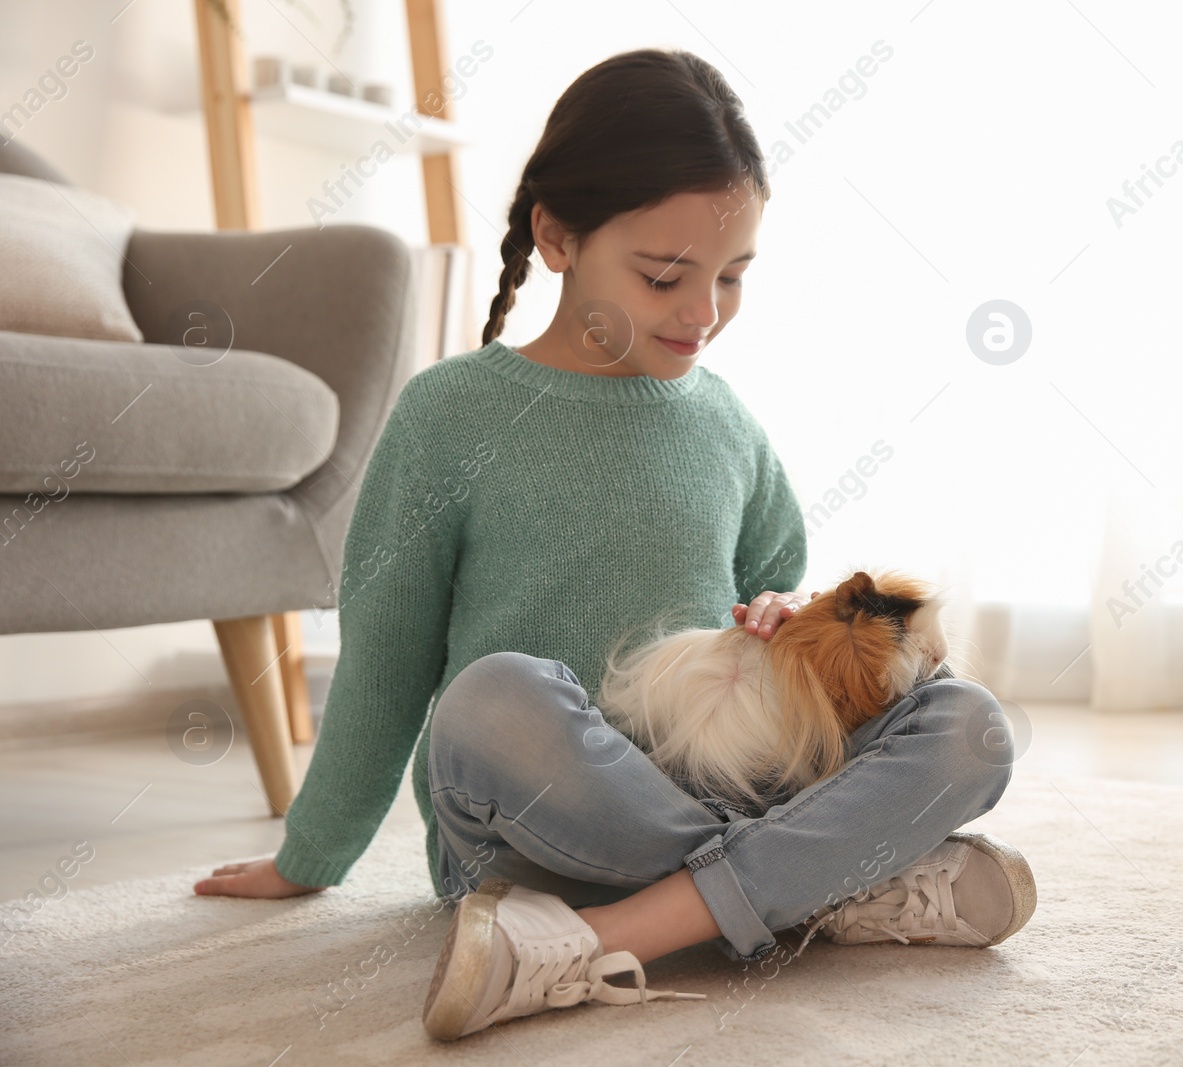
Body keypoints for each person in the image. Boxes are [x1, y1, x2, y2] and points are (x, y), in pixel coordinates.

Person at [193, 46, 1035, 1042]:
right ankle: (814, 887)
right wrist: (314, 851)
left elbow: (773, 608)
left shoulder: (725, 423)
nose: (703, 312)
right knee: (491, 700)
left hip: (723, 779)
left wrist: (779, 616)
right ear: (555, 235)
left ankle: (634, 924)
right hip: (528, 824)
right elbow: (384, 653)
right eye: (665, 275)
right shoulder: (448, 416)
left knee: (971, 722)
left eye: (731, 276)